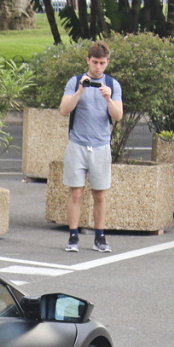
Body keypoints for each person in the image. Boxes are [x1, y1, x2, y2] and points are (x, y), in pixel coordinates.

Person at [59, 41, 123, 252]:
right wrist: (80, 91)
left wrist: (108, 99)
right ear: (88, 60)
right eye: (94, 62)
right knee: (75, 192)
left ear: (107, 63)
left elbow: (118, 116)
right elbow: (64, 110)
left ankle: (100, 237)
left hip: (101, 146)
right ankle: (73, 237)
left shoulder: (113, 85)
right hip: (77, 144)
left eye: (102, 63)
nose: (98, 67)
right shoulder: (75, 81)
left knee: (100, 194)